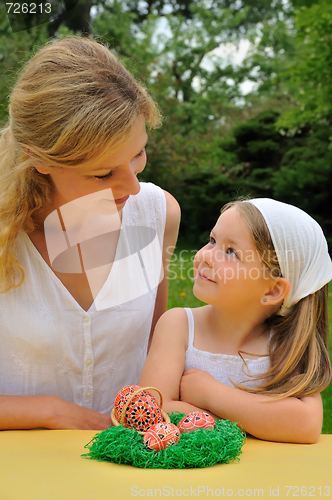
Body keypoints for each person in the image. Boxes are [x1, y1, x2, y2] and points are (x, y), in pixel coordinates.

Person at [0, 37, 180, 430]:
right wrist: (49, 412)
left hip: (125, 474)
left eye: (138, 154)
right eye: (103, 173)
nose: (133, 187)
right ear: (36, 158)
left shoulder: (157, 213)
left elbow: (157, 354)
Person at [140, 198, 332, 443]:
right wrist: (261, 424)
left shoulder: (283, 345)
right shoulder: (179, 325)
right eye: (212, 241)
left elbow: (306, 425)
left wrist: (210, 394)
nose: (205, 256)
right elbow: (153, 409)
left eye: (231, 252)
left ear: (272, 290)